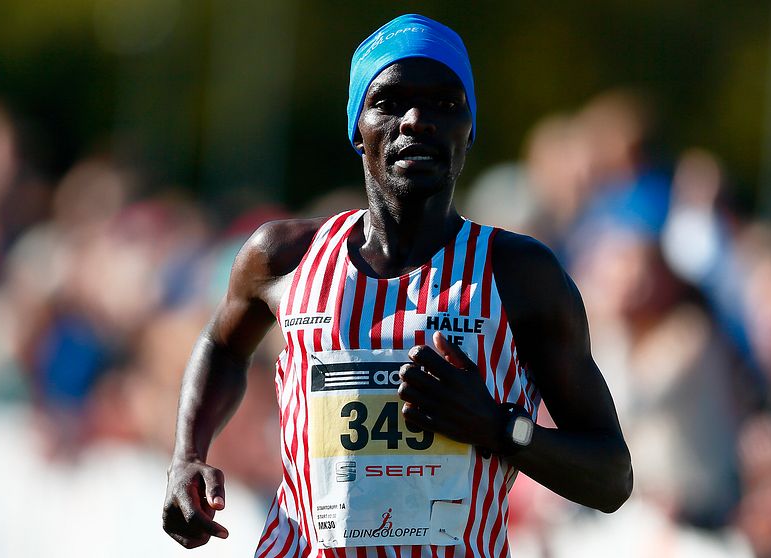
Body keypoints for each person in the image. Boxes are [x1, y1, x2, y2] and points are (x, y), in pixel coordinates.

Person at [162, 13, 632, 557]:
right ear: (356, 129)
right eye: (388, 101)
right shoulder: (286, 258)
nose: (416, 120)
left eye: (444, 102)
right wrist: (186, 455)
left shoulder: (519, 275)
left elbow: (611, 477)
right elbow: (221, 345)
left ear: (470, 128)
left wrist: (499, 427)